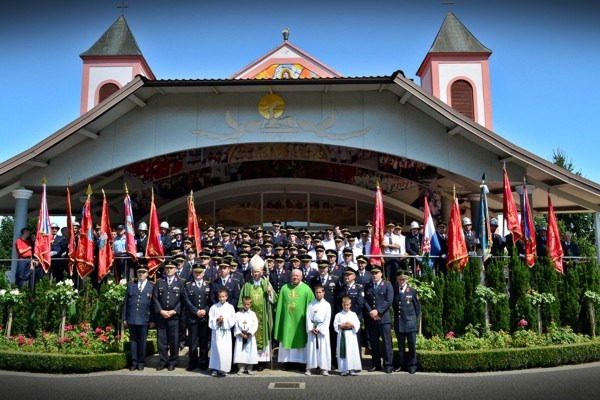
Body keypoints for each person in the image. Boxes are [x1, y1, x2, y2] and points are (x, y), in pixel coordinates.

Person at [238, 255, 277, 371]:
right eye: (254, 272)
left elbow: (274, 299)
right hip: (249, 318)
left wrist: (270, 293)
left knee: (262, 338)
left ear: (262, 272)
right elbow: (241, 302)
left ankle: (261, 362)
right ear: (251, 272)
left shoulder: (266, 284)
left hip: (263, 317)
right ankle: (251, 361)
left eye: (258, 272)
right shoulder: (247, 285)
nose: (256, 274)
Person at [274, 268, 315, 370]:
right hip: (287, 321)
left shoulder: (306, 289)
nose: (295, 277)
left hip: (300, 322)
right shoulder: (284, 288)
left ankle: (301, 363)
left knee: (300, 342)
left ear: (301, 277)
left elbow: (313, 306)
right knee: (286, 340)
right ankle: (287, 363)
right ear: (290, 276)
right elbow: (279, 306)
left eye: (297, 275)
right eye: (293, 275)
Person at [153, 260, 185, 371]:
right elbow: (155, 298)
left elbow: (183, 300)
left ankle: (173, 361)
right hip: (162, 315)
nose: (169, 270)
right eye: (167, 268)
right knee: (161, 340)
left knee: (174, 340)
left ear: (176, 269)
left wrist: (174, 311)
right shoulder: (159, 282)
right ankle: (163, 361)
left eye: (171, 268)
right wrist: (161, 311)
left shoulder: (181, 282)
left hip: (174, 316)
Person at [123, 264, 155, 371]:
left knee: (142, 341)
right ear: (137, 274)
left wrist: (152, 320)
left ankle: (141, 362)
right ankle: (134, 362)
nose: (141, 274)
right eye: (139, 272)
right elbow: (126, 303)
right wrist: (124, 318)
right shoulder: (131, 285)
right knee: (133, 341)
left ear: (147, 274)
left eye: (143, 272)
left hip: (144, 318)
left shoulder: (152, 286)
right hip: (132, 318)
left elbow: (154, 305)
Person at [364, 266, 394, 373]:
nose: (374, 275)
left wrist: (378, 311)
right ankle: (376, 364)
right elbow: (365, 301)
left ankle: (388, 365)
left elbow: (389, 300)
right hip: (372, 319)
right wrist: (371, 311)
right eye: (373, 273)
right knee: (374, 343)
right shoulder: (368, 286)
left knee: (386, 343)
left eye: (377, 273)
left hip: (383, 319)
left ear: (381, 273)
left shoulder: (387, 285)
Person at [182, 264, 211, 371]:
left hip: (204, 318)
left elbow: (211, 301)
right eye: (196, 272)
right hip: (192, 317)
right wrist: (196, 311)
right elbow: (186, 301)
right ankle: (193, 362)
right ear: (193, 273)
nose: (198, 274)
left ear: (204, 273)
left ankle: (203, 361)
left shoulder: (208, 285)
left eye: (200, 272)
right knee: (192, 341)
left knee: (203, 341)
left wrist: (205, 310)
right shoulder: (188, 285)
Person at [393, 272, 421, 374]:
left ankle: (412, 365)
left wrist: (412, 319)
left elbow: (417, 309)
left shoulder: (412, 291)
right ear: (397, 280)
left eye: (403, 279)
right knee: (401, 346)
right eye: (400, 279)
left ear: (407, 280)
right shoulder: (395, 291)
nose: (402, 281)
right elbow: (395, 307)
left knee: (411, 345)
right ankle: (401, 365)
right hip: (399, 323)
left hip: (410, 323)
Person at [208, 289, 236, 377]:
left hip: (225, 333)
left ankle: (224, 368)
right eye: (220, 297)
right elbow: (211, 319)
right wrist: (216, 320)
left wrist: (224, 320)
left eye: (223, 297)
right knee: (216, 349)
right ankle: (215, 368)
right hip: (216, 332)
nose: (221, 298)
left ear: (226, 297)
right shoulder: (214, 307)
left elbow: (232, 320)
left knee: (225, 350)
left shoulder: (230, 307)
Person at [305, 284, 332, 376]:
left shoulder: (327, 305)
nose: (318, 294)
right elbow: (308, 317)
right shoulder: (311, 304)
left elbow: (327, 319)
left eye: (320, 292)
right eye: (316, 293)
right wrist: (311, 328)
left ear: (323, 293)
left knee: (323, 349)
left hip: (322, 330)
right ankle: (310, 367)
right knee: (312, 349)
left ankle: (324, 368)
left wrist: (319, 329)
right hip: (313, 329)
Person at [334, 296, 362, 376]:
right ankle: (343, 369)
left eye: (347, 305)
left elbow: (357, 324)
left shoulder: (353, 314)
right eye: (344, 305)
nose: (346, 306)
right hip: (342, 334)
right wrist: (341, 326)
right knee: (343, 351)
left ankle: (352, 369)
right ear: (342, 305)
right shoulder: (338, 315)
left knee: (352, 351)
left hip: (351, 335)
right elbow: (335, 325)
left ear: (350, 305)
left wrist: (351, 324)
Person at [234, 296, 259, 375]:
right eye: (245, 304)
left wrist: (249, 333)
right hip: (240, 335)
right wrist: (240, 333)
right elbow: (236, 325)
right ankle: (241, 368)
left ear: (250, 304)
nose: (246, 306)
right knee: (241, 351)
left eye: (248, 304)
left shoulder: (253, 314)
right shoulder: (238, 314)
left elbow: (255, 325)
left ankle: (249, 368)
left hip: (249, 336)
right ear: (242, 304)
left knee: (249, 351)